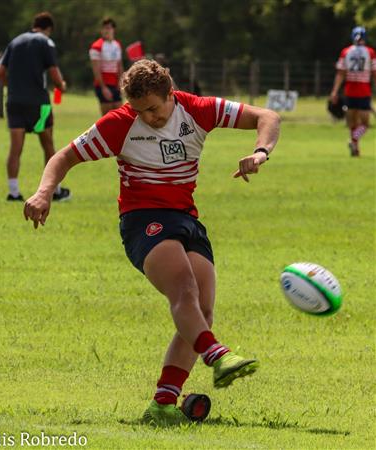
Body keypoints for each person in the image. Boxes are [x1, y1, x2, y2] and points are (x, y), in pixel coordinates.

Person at [23, 60, 280, 426]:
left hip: (187, 219)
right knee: (184, 289)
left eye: (155, 109)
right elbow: (64, 157)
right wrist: (43, 192)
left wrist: (260, 153)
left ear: (170, 94)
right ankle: (217, 356)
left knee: (202, 310)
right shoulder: (120, 124)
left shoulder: (197, 109)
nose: (150, 117)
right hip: (142, 220)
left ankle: (163, 403)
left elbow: (267, 117)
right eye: (141, 110)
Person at [0, 12, 70, 202]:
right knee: (48, 145)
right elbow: (54, 73)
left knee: (15, 148)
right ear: (48, 29)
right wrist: (61, 86)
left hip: (15, 102)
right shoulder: (45, 42)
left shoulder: (15, 42)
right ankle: (55, 190)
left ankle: (13, 192)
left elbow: (0, 72)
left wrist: (11, 88)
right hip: (39, 104)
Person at [330, 26, 376, 156]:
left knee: (352, 124)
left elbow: (340, 73)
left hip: (349, 91)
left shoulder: (345, 52)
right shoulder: (370, 52)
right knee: (365, 125)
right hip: (364, 91)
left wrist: (334, 91)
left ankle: (355, 147)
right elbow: (374, 73)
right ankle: (354, 140)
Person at [89, 18, 123, 115]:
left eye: (108, 28)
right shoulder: (96, 46)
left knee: (119, 114)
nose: (106, 31)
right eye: (104, 28)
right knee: (107, 116)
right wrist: (103, 88)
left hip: (115, 84)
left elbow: (119, 66)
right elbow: (96, 69)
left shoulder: (117, 45)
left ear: (113, 30)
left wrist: (121, 83)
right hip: (103, 84)